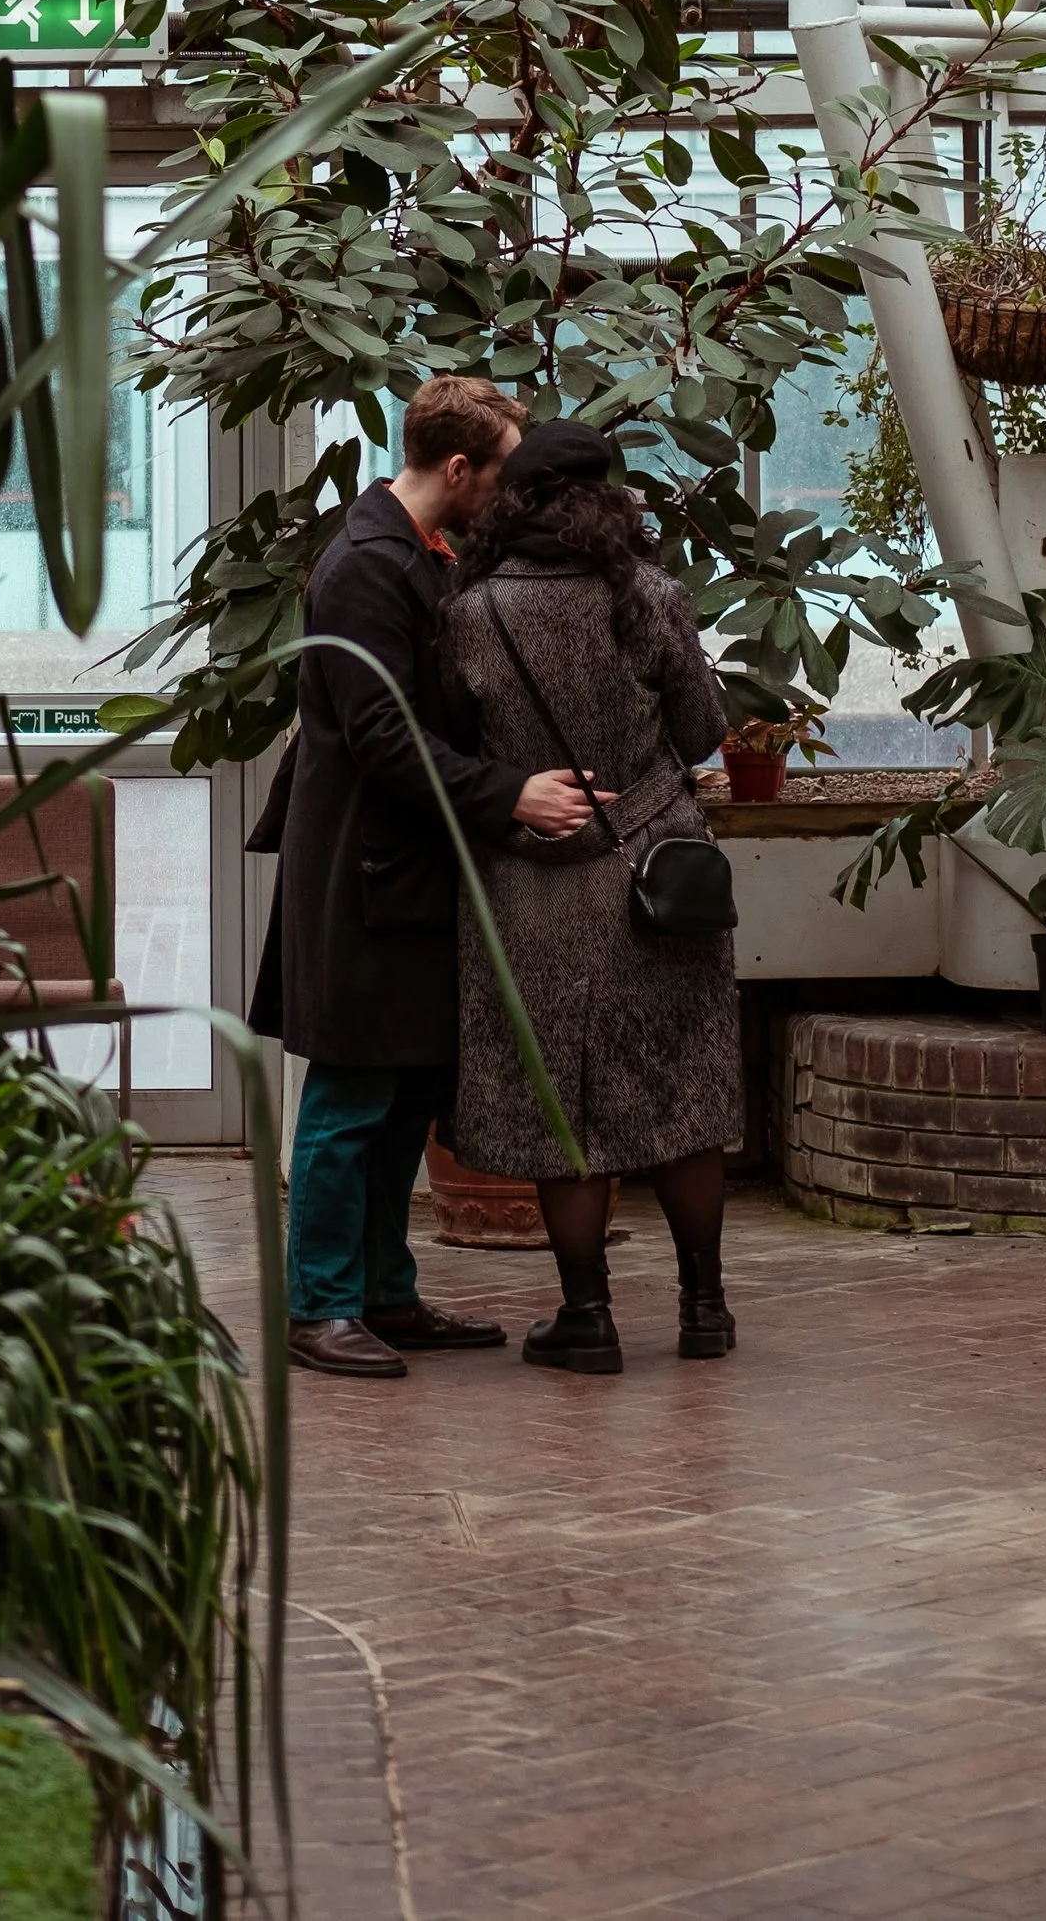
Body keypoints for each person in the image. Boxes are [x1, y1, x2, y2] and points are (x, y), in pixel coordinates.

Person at [247, 376, 593, 1381]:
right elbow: (380, 734)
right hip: (362, 870)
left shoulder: (424, 555)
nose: (509, 492)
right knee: (351, 1089)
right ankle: (317, 1307)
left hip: (409, 868)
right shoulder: (365, 566)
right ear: (458, 469)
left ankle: (383, 1295)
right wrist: (510, 796)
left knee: (401, 1092)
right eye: (501, 471)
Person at [438, 417, 743, 1375]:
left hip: (531, 883)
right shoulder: (648, 596)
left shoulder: (472, 611)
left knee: (560, 1105)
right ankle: (704, 1309)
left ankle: (588, 1319)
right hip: (658, 881)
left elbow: (464, 750)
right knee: (681, 1090)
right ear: (606, 498)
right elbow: (699, 729)